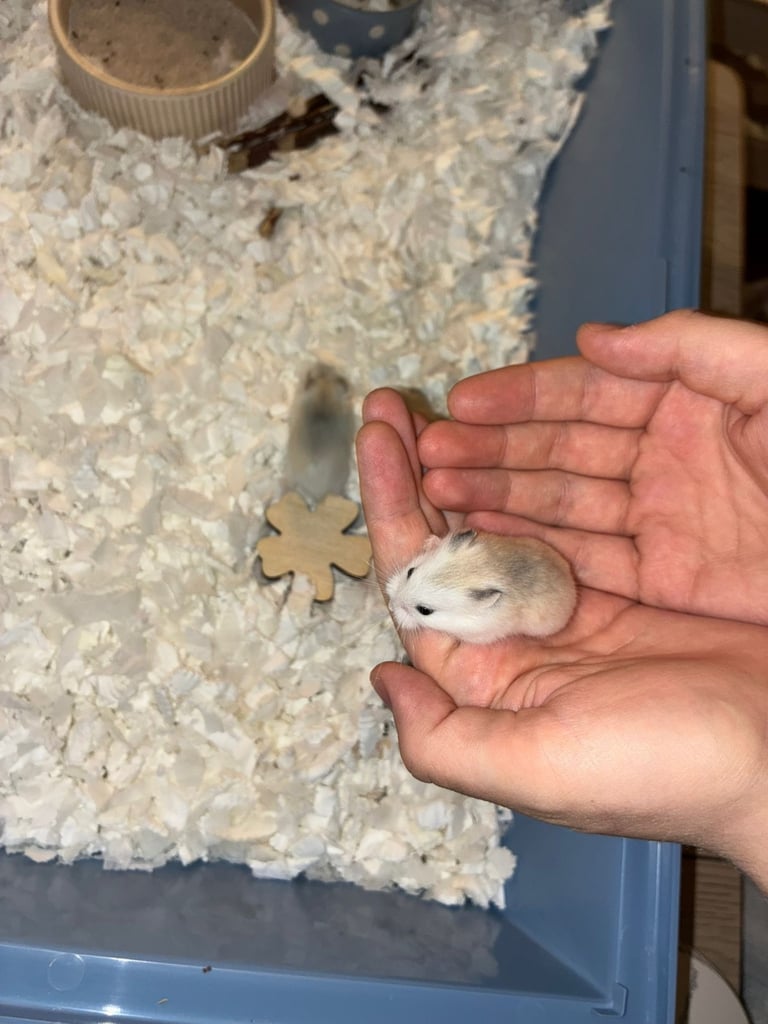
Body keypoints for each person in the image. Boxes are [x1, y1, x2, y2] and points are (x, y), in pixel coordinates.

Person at [355, 309, 768, 894]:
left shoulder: (487, 614)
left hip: (540, 605)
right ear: (452, 546)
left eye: (420, 609)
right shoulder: (462, 555)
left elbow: (477, 612)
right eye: (415, 574)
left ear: (484, 604)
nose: (399, 595)